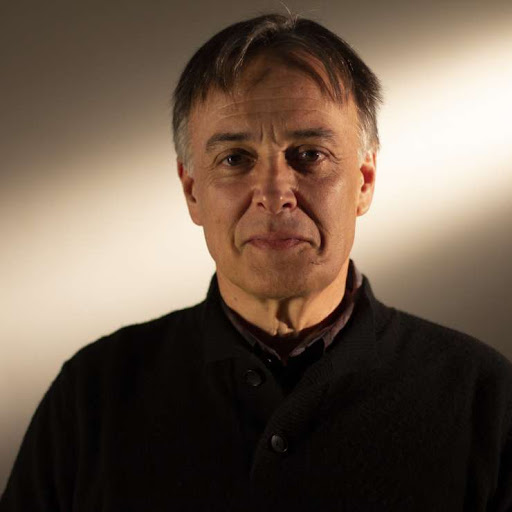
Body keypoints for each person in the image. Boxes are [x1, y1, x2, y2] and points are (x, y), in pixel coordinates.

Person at [1, 13, 511, 512]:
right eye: (235, 159)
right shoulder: (93, 396)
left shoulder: (485, 398)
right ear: (192, 191)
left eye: (309, 155)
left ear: (365, 180)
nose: (273, 193)